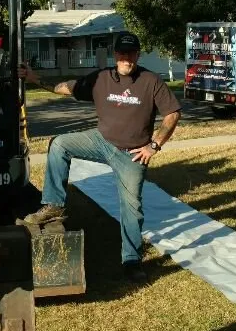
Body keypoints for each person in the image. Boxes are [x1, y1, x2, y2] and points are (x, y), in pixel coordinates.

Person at [17, 31, 182, 282]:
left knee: (132, 209)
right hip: (101, 141)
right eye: (122, 53)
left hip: (132, 154)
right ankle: (54, 204)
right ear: (116, 54)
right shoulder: (101, 78)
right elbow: (66, 88)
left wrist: (154, 146)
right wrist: (33, 78)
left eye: (132, 53)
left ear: (138, 54)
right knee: (60, 144)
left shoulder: (151, 81)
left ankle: (131, 260)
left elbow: (172, 114)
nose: (127, 58)